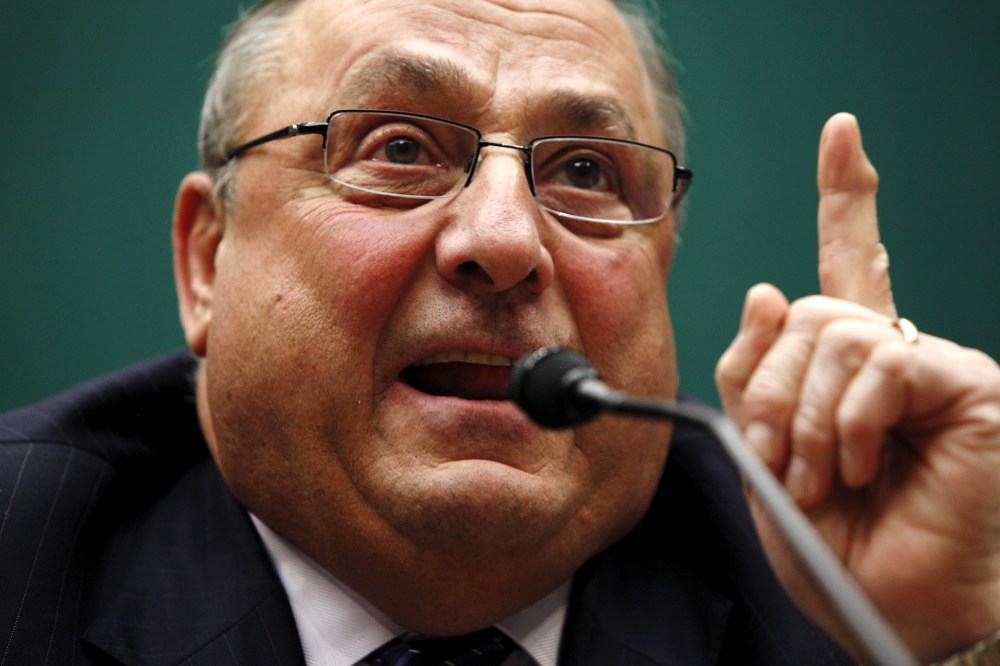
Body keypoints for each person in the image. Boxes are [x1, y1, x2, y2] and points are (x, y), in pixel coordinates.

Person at [1, 0, 998, 664]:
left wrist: (946, 640)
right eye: (398, 148)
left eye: (583, 173)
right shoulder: (23, 554)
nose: (505, 240)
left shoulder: (816, 575)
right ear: (206, 261)